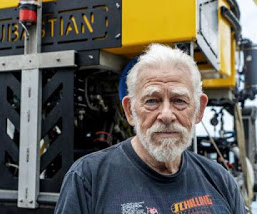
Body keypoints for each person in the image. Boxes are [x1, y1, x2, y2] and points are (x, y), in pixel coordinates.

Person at [55, 44, 246, 214]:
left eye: (179, 100)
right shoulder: (87, 179)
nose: (166, 115)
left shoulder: (220, 180)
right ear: (130, 110)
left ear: (199, 109)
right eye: (152, 101)